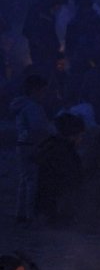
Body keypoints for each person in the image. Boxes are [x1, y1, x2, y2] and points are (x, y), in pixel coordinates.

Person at [10, 75, 50, 224]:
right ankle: (29, 215)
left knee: (24, 179)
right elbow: (38, 128)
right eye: (44, 91)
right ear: (36, 90)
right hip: (32, 145)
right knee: (32, 181)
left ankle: (20, 213)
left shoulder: (22, 106)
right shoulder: (33, 107)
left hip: (22, 144)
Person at [34, 112, 86, 226]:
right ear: (72, 136)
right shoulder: (64, 153)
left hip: (46, 204)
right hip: (56, 205)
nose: (81, 140)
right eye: (80, 136)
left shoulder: (51, 146)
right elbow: (73, 181)